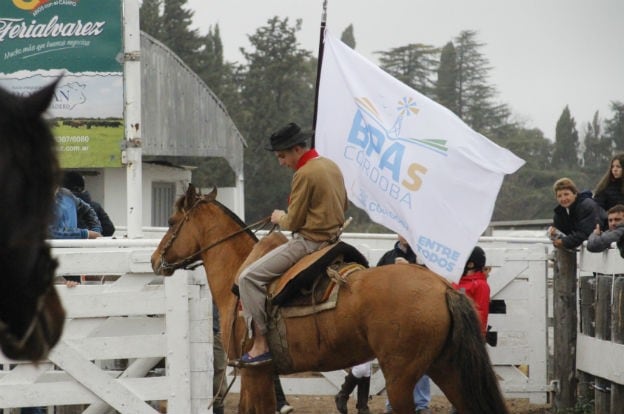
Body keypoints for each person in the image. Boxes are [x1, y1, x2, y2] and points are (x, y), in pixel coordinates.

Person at [237, 122, 348, 368]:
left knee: (247, 278)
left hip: (309, 244)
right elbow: (345, 205)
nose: (281, 162)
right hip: (335, 243)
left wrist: (279, 217)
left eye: (282, 156)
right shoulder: (332, 166)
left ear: (297, 149)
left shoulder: (304, 173)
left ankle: (261, 344)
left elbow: (293, 221)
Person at [370, 235, 431, 414]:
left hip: (418, 316)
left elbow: (432, 281)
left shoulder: (424, 258)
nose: (403, 234)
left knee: (420, 361)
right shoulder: (388, 257)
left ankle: (420, 404)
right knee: (394, 363)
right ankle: (394, 403)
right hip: (392, 318)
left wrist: (410, 269)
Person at [548, 177, 606, 250]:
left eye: (566, 194)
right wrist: (553, 233)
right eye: (559, 196)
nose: (563, 199)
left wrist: (564, 241)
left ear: (575, 194)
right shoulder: (560, 213)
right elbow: (564, 232)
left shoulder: (587, 206)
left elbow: (586, 233)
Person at [63, 171, 115, 236]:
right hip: (90, 245)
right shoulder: (95, 206)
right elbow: (109, 229)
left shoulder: (57, 207)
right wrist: (95, 233)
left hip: (62, 245)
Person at [453, 246, 491, 336]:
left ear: (470, 265)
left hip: (467, 334)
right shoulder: (456, 282)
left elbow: (481, 312)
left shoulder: (481, 285)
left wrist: (479, 335)